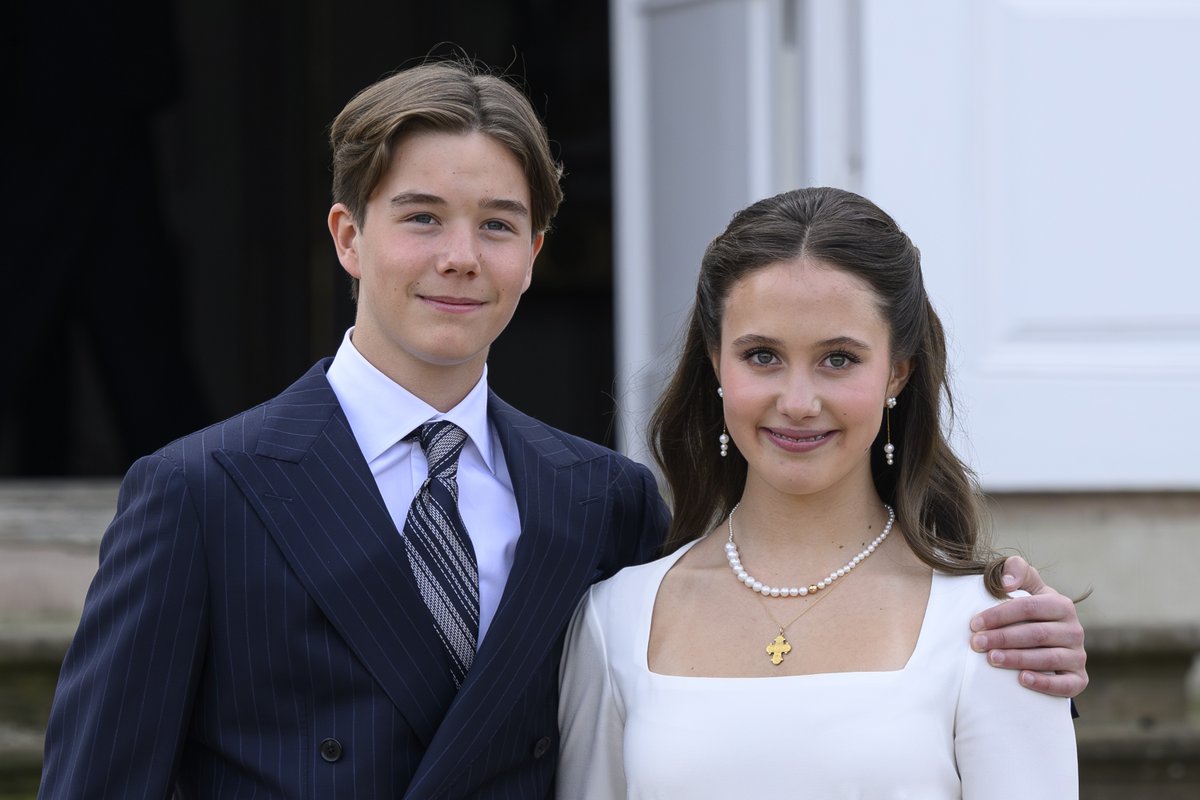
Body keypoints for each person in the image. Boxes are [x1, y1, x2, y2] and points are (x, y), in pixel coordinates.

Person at [39, 63, 1081, 798]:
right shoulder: (201, 489)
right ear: (348, 237)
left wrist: (1031, 656)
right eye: (421, 217)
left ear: (536, 252)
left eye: (496, 223)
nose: (460, 255)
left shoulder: (600, 502)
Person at [558, 187, 1079, 798]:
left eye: (837, 359)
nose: (799, 403)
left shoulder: (991, 627)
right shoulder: (615, 618)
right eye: (761, 356)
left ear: (897, 372)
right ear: (716, 363)